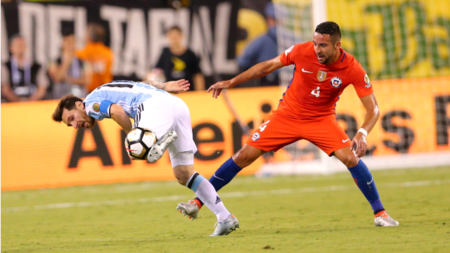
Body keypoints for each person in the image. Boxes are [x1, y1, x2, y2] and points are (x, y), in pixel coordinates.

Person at [176, 21, 400, 227]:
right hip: (286, 117)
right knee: (243, 155)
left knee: (351, 158)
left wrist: (362, 132)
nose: (317, 50)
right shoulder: (301, 51)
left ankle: (380, 214)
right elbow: (267, 67)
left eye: (323, 45)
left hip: (321, 120)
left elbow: (374, 109)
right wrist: (232, 82)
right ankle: (198, 202)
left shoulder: (352, 68)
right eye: (315, 44)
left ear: (337, 45)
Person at [51, 79, 239, 236]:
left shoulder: (91, 105)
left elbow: (117, 111)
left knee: (134, 148)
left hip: (153, 107)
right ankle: (225, 217)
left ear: (78, 105)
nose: (75, 125)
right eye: (71, 125)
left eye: (72, 118)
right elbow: (139, 84)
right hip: (175, 104)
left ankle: (157, 142)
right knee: (184, 174)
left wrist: (131, 135)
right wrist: (165, 86)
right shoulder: (102, 90)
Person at [149, 26, 205, 91]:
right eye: (172, 36)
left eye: (176, 36)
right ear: (168, 37)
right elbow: (156, 71)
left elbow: (197, 75)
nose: (174, 39)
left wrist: (200, 92)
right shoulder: (165, 53)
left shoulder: (190, 54)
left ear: (181, 36)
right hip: (170, 93)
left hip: (188, 92)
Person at [237, 2, 279, 87]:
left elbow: (242, 61)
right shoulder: (293, 39)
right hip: (287, 85)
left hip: (265, 85)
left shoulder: (261, 40)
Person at [0, 35, 49, 102]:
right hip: (12, 104)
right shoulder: (5, 66)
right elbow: (5, 89)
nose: (20, 48)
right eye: (17, 45)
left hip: (33, 103)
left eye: (22, 45)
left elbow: (42, 88)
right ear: (11, 48)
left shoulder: (36, 66)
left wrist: (30, 101)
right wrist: (18, 101)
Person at [49, 32, 90, 98]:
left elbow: (87, 80)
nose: (70, 45)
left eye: (72, 42)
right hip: (60, 97)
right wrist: (66, 63)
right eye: (67, 42)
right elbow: (57, 78)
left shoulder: (83, 62)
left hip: (79, 96)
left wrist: (69, 79)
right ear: (62, 44)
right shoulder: (54, 62)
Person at [76, 23, 114, 93]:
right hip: (106, 89)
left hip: (91, 91)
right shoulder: (108, 52)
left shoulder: (85, 51)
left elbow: (74, 56)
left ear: (89, 37)